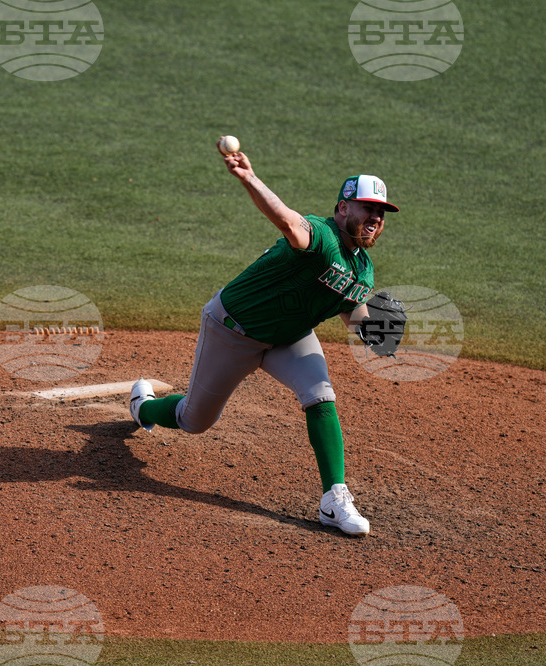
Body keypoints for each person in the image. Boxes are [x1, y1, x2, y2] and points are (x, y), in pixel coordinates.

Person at [129, 144, 400, 537]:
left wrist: (372, 329)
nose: (375, 217)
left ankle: (334, 499)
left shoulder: (363, 268)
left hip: (289, 338)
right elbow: (287, 221)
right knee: (194, 420)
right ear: (343, 209)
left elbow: (349, 307)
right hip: (233, 329)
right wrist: (249, 178)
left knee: (320, 395)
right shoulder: (320, 235)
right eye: (367, 208)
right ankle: (144, 409)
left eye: (380, 212)